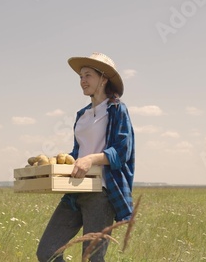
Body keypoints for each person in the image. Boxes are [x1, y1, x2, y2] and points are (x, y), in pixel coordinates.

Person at [36, 52, 136, 262]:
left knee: (92, 259)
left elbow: (122, 151)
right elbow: (78, 153)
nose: (82, 81)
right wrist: (57, 162)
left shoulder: (117, 109)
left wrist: (91, 159)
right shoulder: (82, 114)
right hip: (75, 190)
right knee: (47, 252)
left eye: (88, 75)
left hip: (101, 192)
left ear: (103, 78)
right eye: (80, 76)